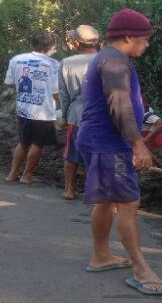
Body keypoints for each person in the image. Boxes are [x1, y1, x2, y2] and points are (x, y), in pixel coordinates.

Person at [76, 8, 162, 296]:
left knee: (106, 202)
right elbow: (120, 104)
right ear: (128, 37)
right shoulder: (115, 61)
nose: (147, 44)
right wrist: (137, 143)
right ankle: (142, 270)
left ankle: (101, 256)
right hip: (108, 144)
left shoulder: (109, 58)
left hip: (101, 141)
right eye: (144, 38)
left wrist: (147, 121)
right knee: (128, 203)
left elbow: (129, 101)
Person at [4, 31, 60, 184]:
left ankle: (12, 174)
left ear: (31, 44)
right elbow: (56, 92)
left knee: (23, 142)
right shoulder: (54, 65)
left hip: (23, 108)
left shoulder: (16, 60)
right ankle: (26, 175)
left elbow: (9, 82)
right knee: (37, 144)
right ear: (50, 46)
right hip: (43, 112)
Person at [58, 25, 99, 200]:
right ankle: (94, 192)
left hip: (76, 116)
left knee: (72, 154)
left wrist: (64, 117)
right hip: (100, 117)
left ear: (76, 43)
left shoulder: (66, 63)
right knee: (96, 155)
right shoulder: (106, 60)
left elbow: (64, 95)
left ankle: (69, 190)